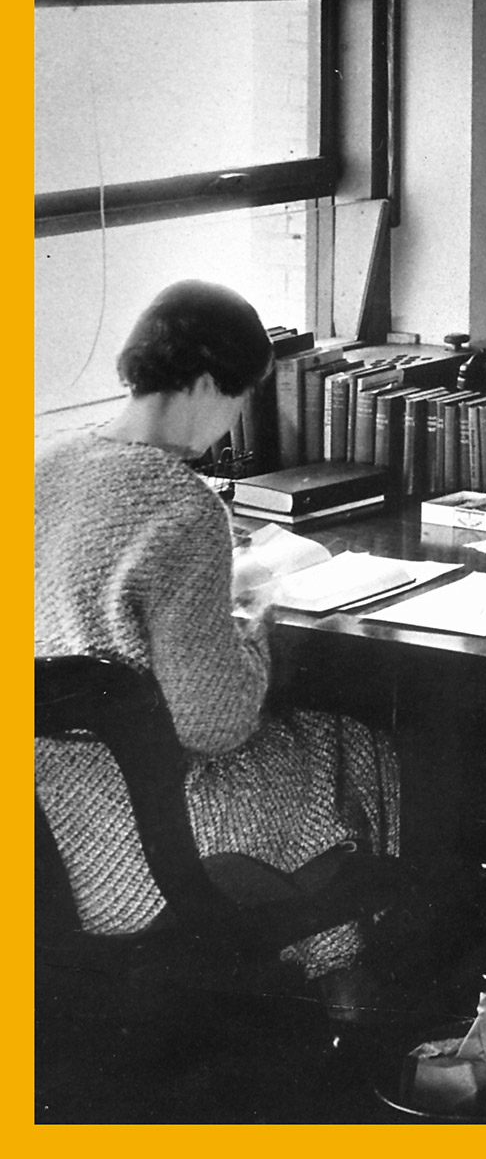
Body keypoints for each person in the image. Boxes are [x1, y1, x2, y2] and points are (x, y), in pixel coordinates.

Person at [34, 282, 401, 988]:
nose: (231, 423)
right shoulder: (181, 506)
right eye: (236, 401)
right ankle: (344, 980)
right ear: (205, 383)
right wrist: (252, 612)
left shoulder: (39, 466)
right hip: (141, 836)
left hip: (39, 826)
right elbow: (215, 725)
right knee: (361, 743)